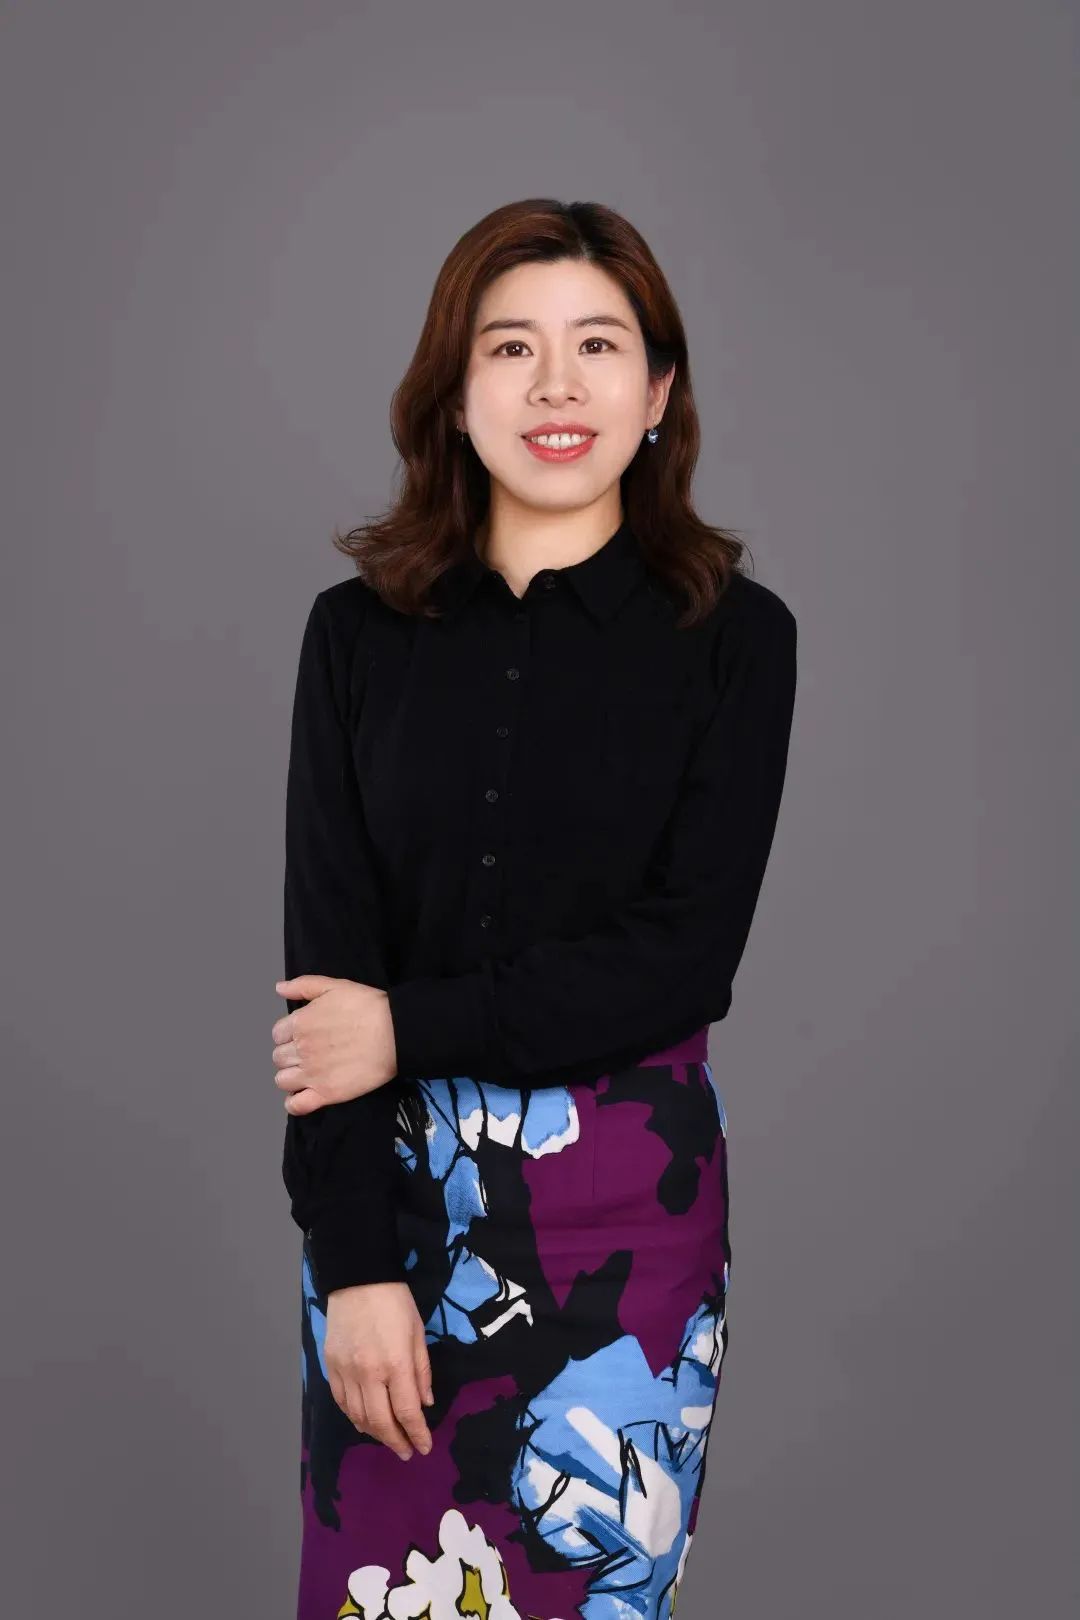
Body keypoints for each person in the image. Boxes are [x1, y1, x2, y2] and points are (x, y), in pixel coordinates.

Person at [270, 198, 798, 1620]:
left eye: (598, 346)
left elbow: (683, 959)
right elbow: (325, 993)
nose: (556, 387)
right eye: (511, 348)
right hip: (395, 1215)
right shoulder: (354, 637)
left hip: (631, 1212)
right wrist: (354, 1267)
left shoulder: (737, 642)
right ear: (454, 394)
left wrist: (405, 1028)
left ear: (658, 392)